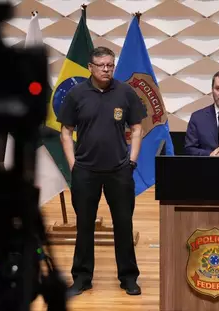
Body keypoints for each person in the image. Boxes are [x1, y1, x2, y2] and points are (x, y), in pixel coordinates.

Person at [58, 46, 146, 296]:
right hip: (85, 171)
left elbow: (137, 128)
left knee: (123, 224)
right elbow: (65, 132)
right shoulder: (76, 94)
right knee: (84, 225)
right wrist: (73, 164)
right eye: (101, 65)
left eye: (110, 65)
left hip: (119, 170)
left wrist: (132, 161)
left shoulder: (125, 92)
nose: (106, 69)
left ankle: (128, 277)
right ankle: (82, 278)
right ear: (90, 67)